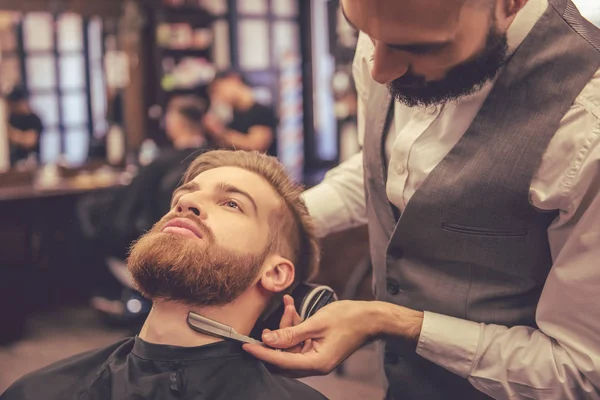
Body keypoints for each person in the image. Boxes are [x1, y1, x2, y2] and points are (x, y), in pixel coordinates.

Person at [243, 1, 600, 399]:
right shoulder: (387, 22)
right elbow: (390, 170)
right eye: (366, 32)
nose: (379, 71)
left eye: (417, 48)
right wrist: (263, 226)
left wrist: (395, 322)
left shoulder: (586, 125)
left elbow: (583, 371)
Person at [2, 150, 326, 400]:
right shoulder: (37, 393)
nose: (186, 202)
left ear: (276, 273)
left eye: (231, 204)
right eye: (183, 195)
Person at [79, 97, 211, 320]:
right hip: (203, 238)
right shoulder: (214, 158)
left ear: (176, 123)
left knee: (93, 218)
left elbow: (128, 207)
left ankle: (124, 294)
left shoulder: (158, 163)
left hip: (156, 232)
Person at [203, 70, 278, 156]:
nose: (217, 96)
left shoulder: (262, 111)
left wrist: (220, 132)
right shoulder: (232, 117)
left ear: (233, 80)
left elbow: (256, 146)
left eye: (217, 89)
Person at [5, 86, 43, 167]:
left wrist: (7, 131)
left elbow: (29, 141)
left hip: (30, 164)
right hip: (12, 164)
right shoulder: (12, 118)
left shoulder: (34, 119)